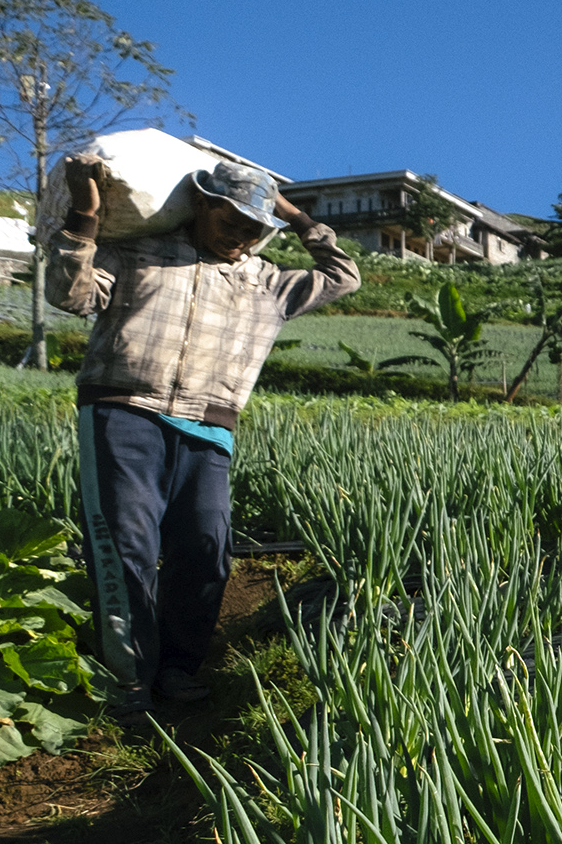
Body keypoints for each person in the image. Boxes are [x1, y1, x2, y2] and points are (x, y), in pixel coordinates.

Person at [47, 155, 358, 712]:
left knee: (206, 550)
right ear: (202, 204)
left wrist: (293, 213)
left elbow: (344, 276)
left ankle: (177, 666)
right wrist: (86, 214)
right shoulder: (136, 253)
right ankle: (129, 677)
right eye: (231, 221)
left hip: (209, 426)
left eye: (255, 229)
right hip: (123, 411)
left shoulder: (268, 283)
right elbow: (69, 295)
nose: (241, 238)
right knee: (125, 548)